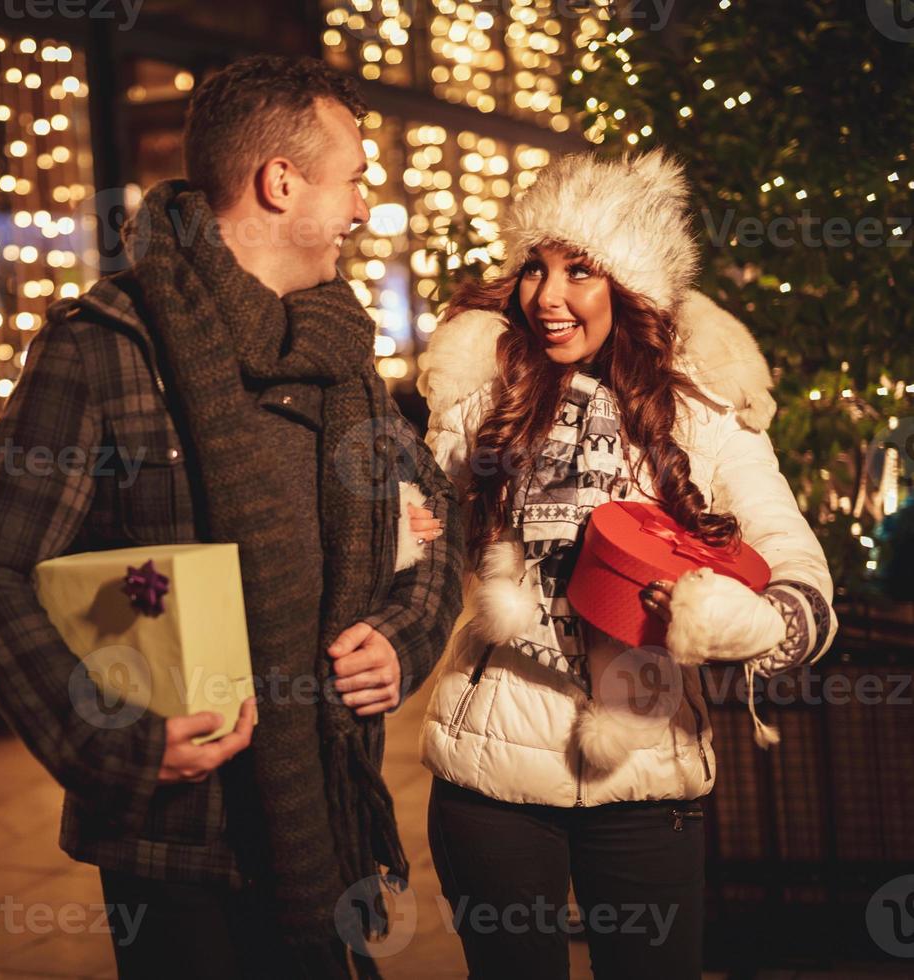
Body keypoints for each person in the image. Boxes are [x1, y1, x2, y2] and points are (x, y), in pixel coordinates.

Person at [0, 55, 464, 979]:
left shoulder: (337, 349)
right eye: (352, 183)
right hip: (181, 836)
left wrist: (401, 636)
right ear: (280, 182)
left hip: (327, 810)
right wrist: (109, 739)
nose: (359, 211)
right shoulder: (106, 346)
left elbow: (426, 521)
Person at [404, 149, 837, 978]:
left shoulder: (704, 411)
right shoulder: (484, 396)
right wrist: (398, 526)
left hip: (647, 779)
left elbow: (797, 567)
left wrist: (751, 618)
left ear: (632, 286)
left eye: (580, 271)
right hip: (490, 775)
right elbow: (416, 535)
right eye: (535, 268)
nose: (548, 297)